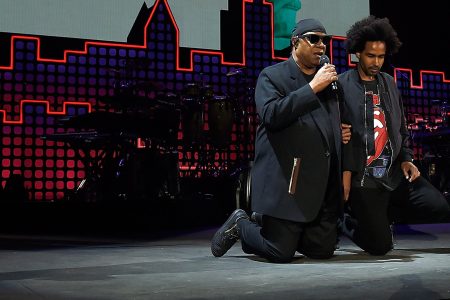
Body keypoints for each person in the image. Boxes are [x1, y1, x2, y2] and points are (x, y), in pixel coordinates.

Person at [211, 18, 346, 263]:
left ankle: (288, 232)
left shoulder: (329, 82)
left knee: (323, 251)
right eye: (314, 39)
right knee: (280, 252)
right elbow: (272, 115)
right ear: (295, 43)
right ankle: (241, 223)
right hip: (288, 181)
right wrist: (313, 87)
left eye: (325, 40)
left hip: (320, 185)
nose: (321, 45)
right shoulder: (272, 76)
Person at [338, 15, 450, 255]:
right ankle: (344, 221)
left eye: (381, 56)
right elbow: (336, 132)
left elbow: (401, 129)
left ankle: (383, 215)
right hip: (365, 179)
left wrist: (407, 158)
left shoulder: (389, 83)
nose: (377, 61)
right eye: (371, 55)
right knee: (380, 247)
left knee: (439, 206)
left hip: (395, 174)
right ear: (358, 52)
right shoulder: (342, 84)